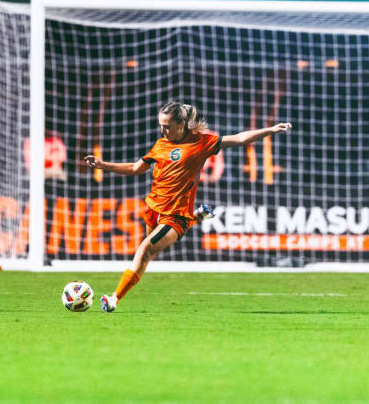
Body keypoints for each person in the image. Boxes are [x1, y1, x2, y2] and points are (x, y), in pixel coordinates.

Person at [83, 101, 291, 312]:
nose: (163, 130)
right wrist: (102, 165)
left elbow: (238, 139)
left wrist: (271, 130)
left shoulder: (201, 142)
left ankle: (113, 299)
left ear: (181, 123)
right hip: (153, 209)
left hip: (175, 215)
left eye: (167, 125)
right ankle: (197, 217)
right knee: (148, 255)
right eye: (160, 125)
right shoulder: (160, 144)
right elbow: (136, 168)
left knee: (144, 249)